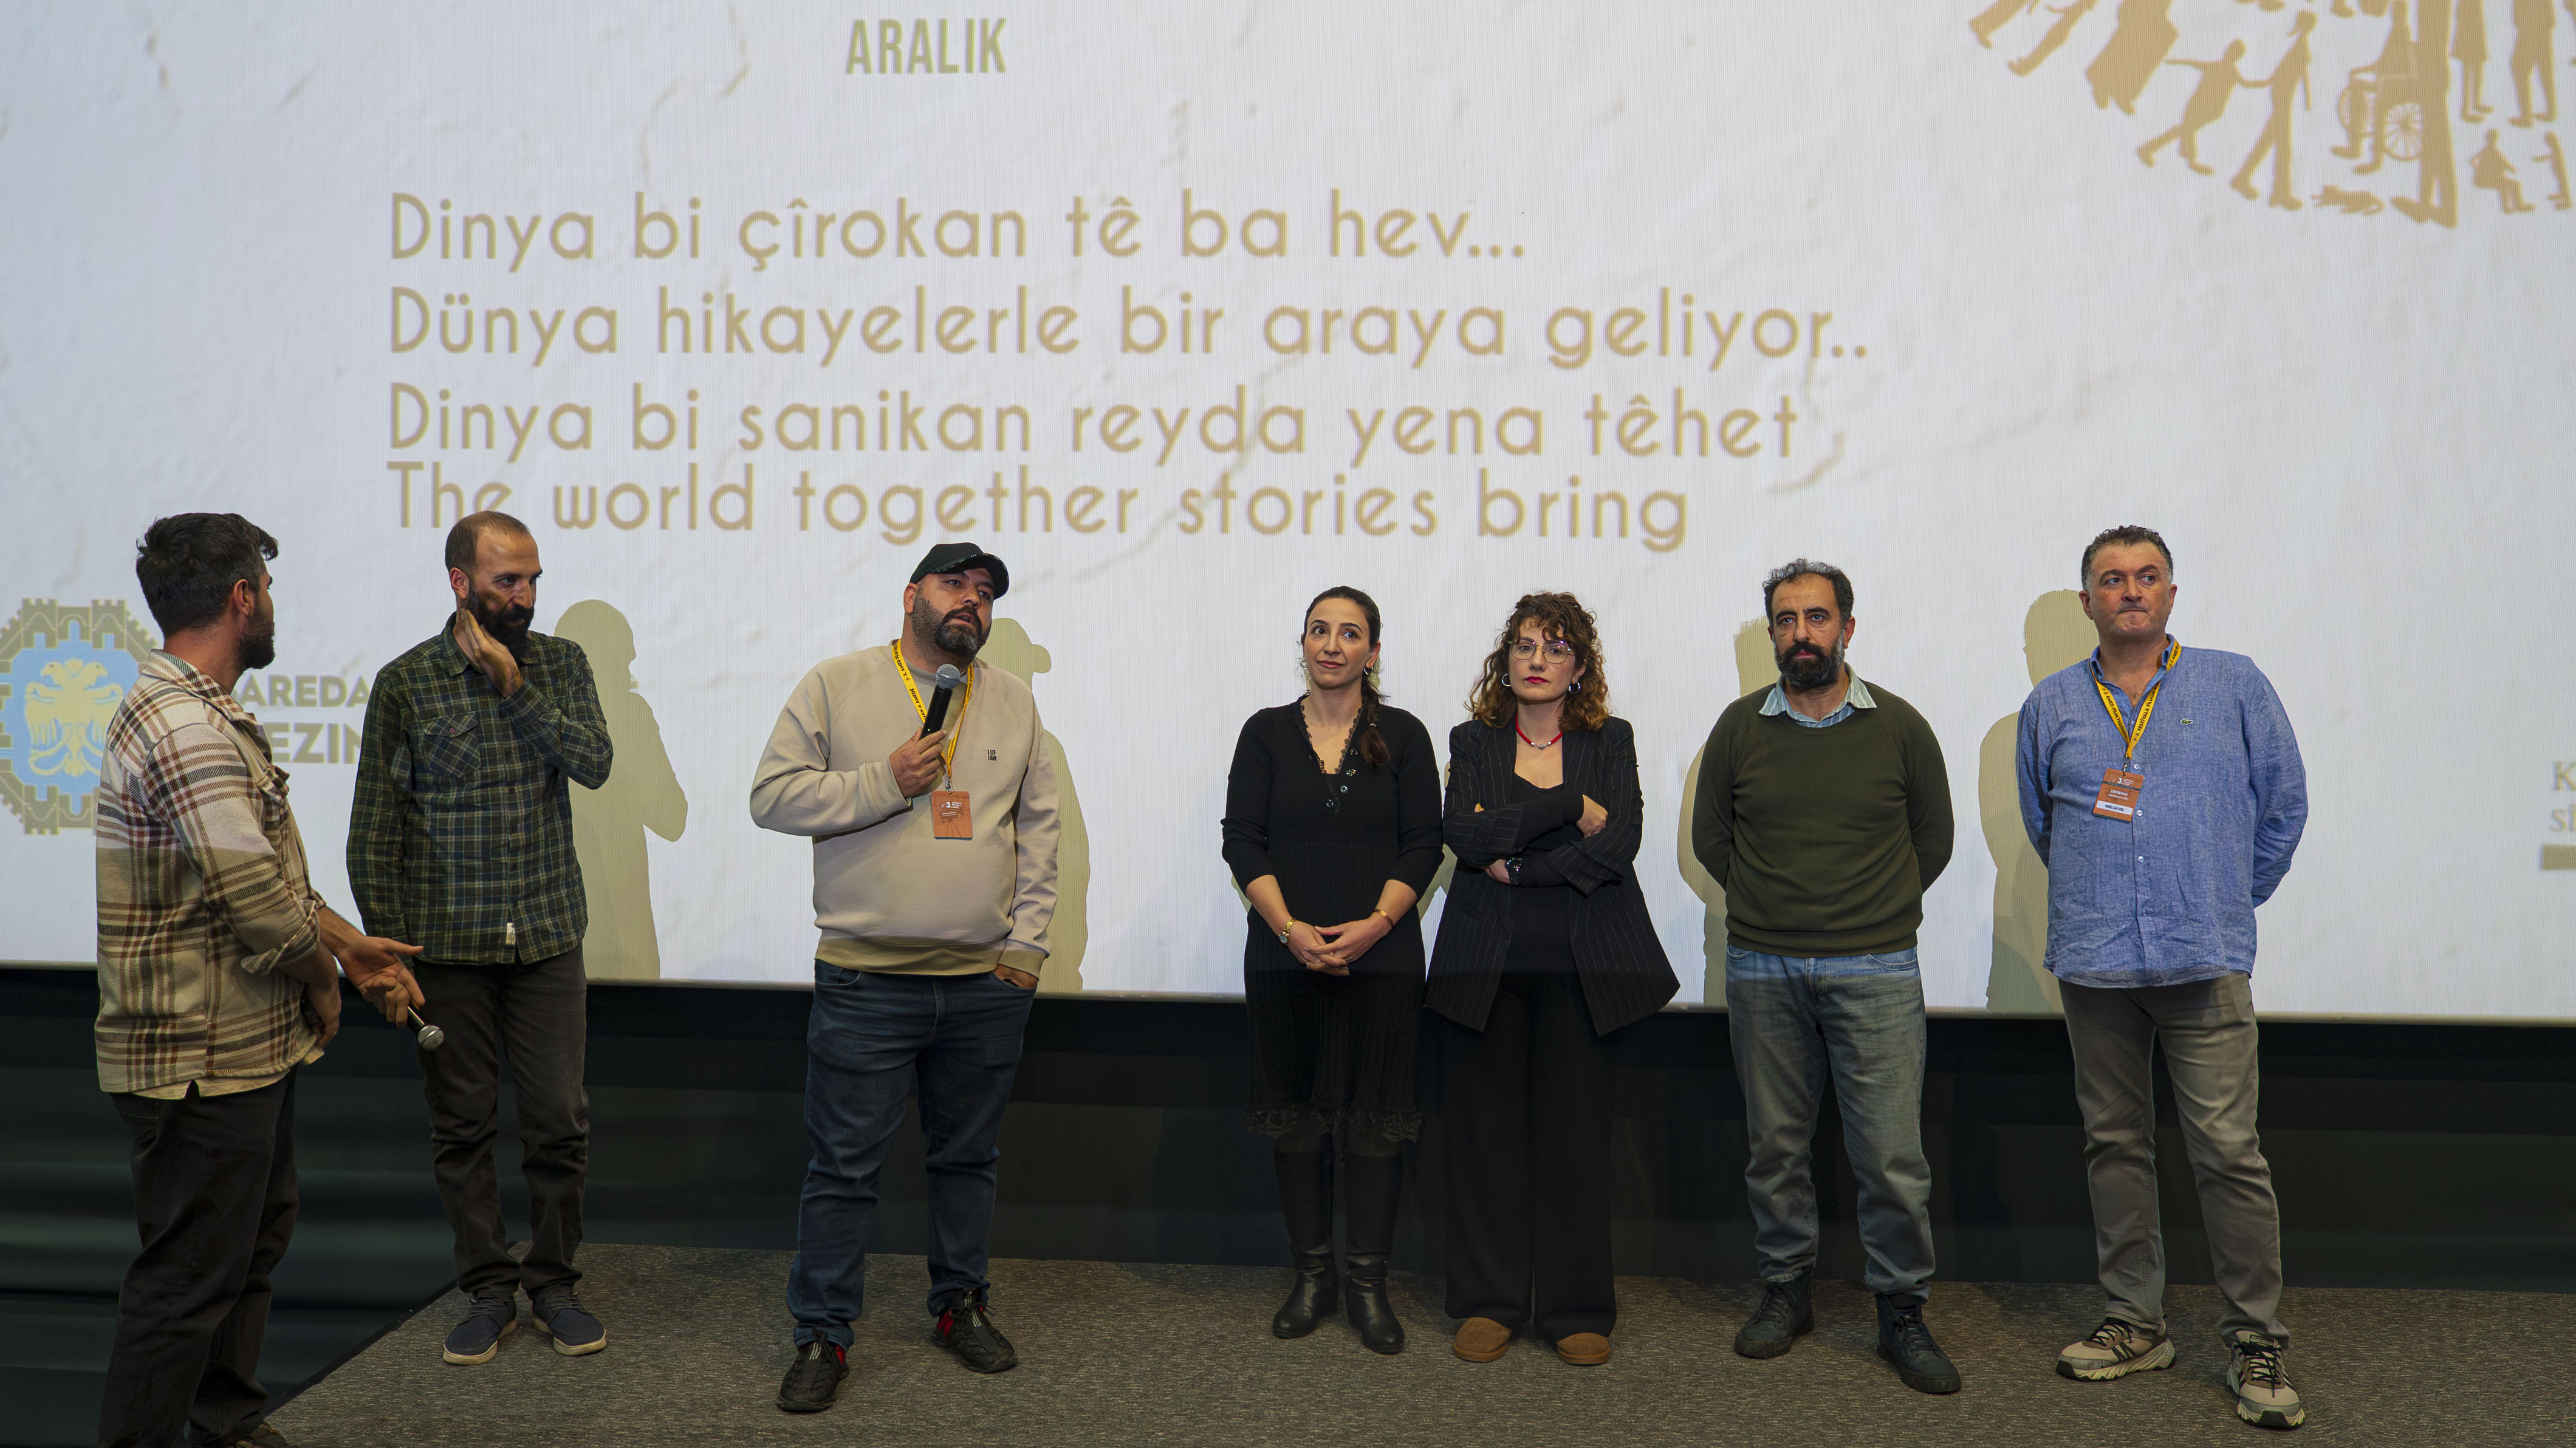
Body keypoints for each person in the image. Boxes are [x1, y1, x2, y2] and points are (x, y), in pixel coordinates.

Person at [97, 514, 422, 1448]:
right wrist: (325, 977)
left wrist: (349, 944)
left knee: (245, 1252)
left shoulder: (198, 712)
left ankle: (228, 1425)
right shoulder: (186, 727)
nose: (273, 605)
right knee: (187, 1284)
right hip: (200, 1060)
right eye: (267, 590)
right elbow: (258, 906)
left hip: (240, 1051)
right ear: (243, 598)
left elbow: (265, 874)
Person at [750, 542, 1059, 1413]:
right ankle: (823, 1333)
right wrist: (882, 781)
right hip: (866, 980)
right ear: (911, 594)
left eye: (986, 592)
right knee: (845, 1169)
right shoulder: (837, 683)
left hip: (984, 986)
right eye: (955, 584)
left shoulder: (1014, 700)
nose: (972, 601)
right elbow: (771, 798)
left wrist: (1025, 951)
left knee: (967, 1159)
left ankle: (961, 1305)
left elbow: (1040, 831)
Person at [2016, 525, 2309, 1432]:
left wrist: (2223, 896)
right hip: (2097, 961)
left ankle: (2255, 1338)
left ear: (2172, 594)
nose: (2131, 590)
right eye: (2112, 579)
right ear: (2088, 602)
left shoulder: (2234, 683)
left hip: (2204, 956)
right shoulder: (2051, 703)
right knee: (2114, 1145)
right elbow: (2045, 824)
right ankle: (2135, 1322)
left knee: (2228, 1153)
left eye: (2147, 576)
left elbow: (2285, 805)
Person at [348, 511, 614, 1367]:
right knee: (462, 1127)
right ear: (461, 582)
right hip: (447, 946)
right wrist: (382, 951)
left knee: (560, 1122)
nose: (525, 596)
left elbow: (595, 763)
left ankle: (554, 1283)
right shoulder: (408, 682)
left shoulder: (561, 665)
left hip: (546, 936)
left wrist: (514, 686)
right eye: (508, 580)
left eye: (533, 578)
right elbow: (374, 828)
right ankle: (489, 1291)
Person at [1689, 559, 1961, 1396]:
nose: (1801, 633)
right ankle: (1785, 1290)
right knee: (1775, 1148)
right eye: (1786, 619)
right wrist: (1772, 908)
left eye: (1816, 617)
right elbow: (1711, 840)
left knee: (1891, 1156)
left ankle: (1902, 1310)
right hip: (1762, 965)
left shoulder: (1900, 727)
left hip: (1876, 965)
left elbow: (1933, 841)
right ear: (1773, 634)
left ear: (1846, 626)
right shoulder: (1739, 728)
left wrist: (1868, 912)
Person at [1427, 592, 1676, 1368]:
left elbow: (1621, 838)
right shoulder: (1473, 739)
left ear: (1580, 667)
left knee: (1576, 1142)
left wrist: (1523, 865)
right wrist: (1568, 805)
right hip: (1485, 967)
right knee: (1485, 1142)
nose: (1537, 659)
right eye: (1525, 645)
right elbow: (1464, 833)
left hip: (1583, 969)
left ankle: (1575, 1307)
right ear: (1505, 659)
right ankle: (1488, 1302)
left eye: (1556, 647)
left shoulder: (1610, 738)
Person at [1222, 587, 1442, 1354]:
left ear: (1372, 652)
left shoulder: (1405, 735)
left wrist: (1376, 925)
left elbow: (1424, 843)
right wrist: (1290, 931)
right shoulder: (1264, 732)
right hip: (1283, 955)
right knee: (1298, 1121)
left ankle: (1368, 1286)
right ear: (1303, 643)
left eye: (1350, 633)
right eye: (1319, 629)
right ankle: (1312, 1277)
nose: (1331, 644)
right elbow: (1242, 840)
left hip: (1384, 957)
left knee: (1375, 1122)